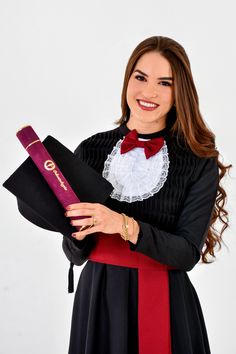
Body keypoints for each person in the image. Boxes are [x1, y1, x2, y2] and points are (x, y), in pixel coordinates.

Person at [62, 35, 232, 354]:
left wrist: (123, 225)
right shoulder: (89, 150)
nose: (149, 92)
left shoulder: (198, 161)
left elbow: (186, 254)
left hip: (166, 302)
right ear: (128, 79)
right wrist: (76, 230)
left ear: (179, 92)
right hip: (97, 299)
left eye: (164, 83)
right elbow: (74, 254)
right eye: (140, 77)